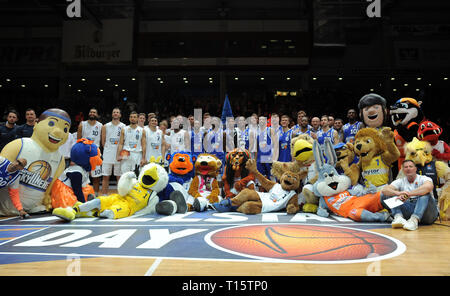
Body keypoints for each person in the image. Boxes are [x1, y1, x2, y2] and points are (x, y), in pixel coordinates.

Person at [381, 160, 439, 231]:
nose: (408, 168)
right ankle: (398, 217)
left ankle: (415, 219)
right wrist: (398, 193)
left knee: (424, 194)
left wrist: (408, 195)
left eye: (411, 166)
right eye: (406, 167)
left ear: (415, 169)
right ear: (403, 170)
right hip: (410, 211)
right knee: (386, 194)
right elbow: (384, 190)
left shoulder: (424, 178)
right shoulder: (400, 181)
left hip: (428, 213)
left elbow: (428, 187)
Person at [100, 107, 126, 195]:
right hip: (108, 155)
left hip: (118, 155)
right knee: (105, 176)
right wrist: (108, 149)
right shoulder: (105, 126)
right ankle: (104, 196)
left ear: (120, 115)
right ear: (112, 114)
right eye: (114, 112)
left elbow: (124, 142)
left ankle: (120, 196)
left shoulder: (123, 126)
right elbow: (103, 142)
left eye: (117, 112)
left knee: (119, 177)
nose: (115, 113)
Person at [77, 108, 103, 194]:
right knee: (83, 175)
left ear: (97, 115)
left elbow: (102, 141)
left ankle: (95, 195)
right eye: (91, 112)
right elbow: (78, 140)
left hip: (95, 153)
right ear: (88, 113)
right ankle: (83, 194)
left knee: (96, 176)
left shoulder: (100, 126)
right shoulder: (82, 124)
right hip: (84, 152)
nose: (92, 113)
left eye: (94, 112)